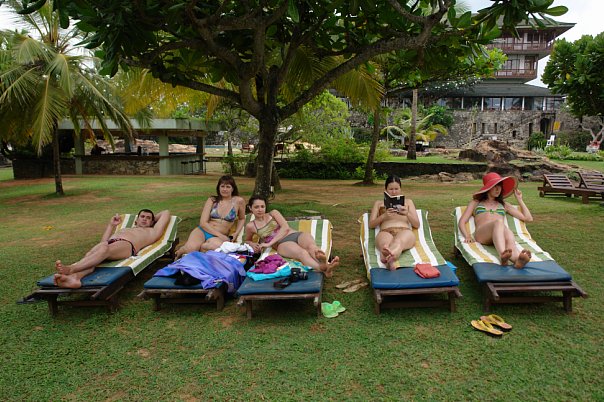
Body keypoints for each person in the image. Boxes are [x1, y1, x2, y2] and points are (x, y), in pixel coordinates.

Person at [54, 209, 171, 288]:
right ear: (136, 220)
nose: (145, 219)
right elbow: (103, 242)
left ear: (152, 222)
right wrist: (111, 226)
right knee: (94, 253)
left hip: (126, 245)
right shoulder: (125, 229)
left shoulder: (152, 231)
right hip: (108, 245)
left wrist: (153, 220)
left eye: (148, 218)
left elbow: (166, 212)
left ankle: (72, 269)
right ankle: (75, 278)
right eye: (142, 216)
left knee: (103, 248)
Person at [245, 196, 340, 277]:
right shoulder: (250, 226)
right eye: (256, 207)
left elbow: (285, 227)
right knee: (302, 253)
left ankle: (324, 265)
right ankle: (323, 267)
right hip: (282, 243)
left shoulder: (273, 213)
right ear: (250, 208)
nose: (260, 209)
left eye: (262, 206)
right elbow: (247, 240)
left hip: (295, 234)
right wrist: (253, 244)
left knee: (312, 247)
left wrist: (269, 243)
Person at [458, 172, 533, 269]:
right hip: (482, 234)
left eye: (500, 186)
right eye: (494, 186)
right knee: (498, 222)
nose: (498, 189)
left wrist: (519, 199)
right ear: (488, 188)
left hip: (499, 234)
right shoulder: (476, 202)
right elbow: (462, 221)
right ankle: (502, 254)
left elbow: (528, 218)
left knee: (509, 235)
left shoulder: (504, 205)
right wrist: (467, 235)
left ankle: (517, 260)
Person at [175, 175, 245, 259]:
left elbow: (242, 218)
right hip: (203, 231)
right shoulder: (212, 200)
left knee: (216, 248)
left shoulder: (239, 201)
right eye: (222, 186)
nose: (224, 189)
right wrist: (220, 235)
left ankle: (200, 247)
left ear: (233, 188)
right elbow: (203, 223)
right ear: (218, 188)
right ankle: (180, 252)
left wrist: (236, 233)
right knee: (191, 249)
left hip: (217, 237)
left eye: (228, 187)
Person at [369, 175, 419, 270]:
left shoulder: (408, 202)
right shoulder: (378, 203)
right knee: (384, 245)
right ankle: (389, 256)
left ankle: (389, 257)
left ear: (401, 189)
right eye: (391, 189)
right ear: (385, 190)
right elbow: (371, 224)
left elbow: (416, 224)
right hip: (385, 231)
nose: (394, 192)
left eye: (396, 189)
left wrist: (407, 214)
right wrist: (384, 216)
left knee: (399, 242)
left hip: (404, 231)